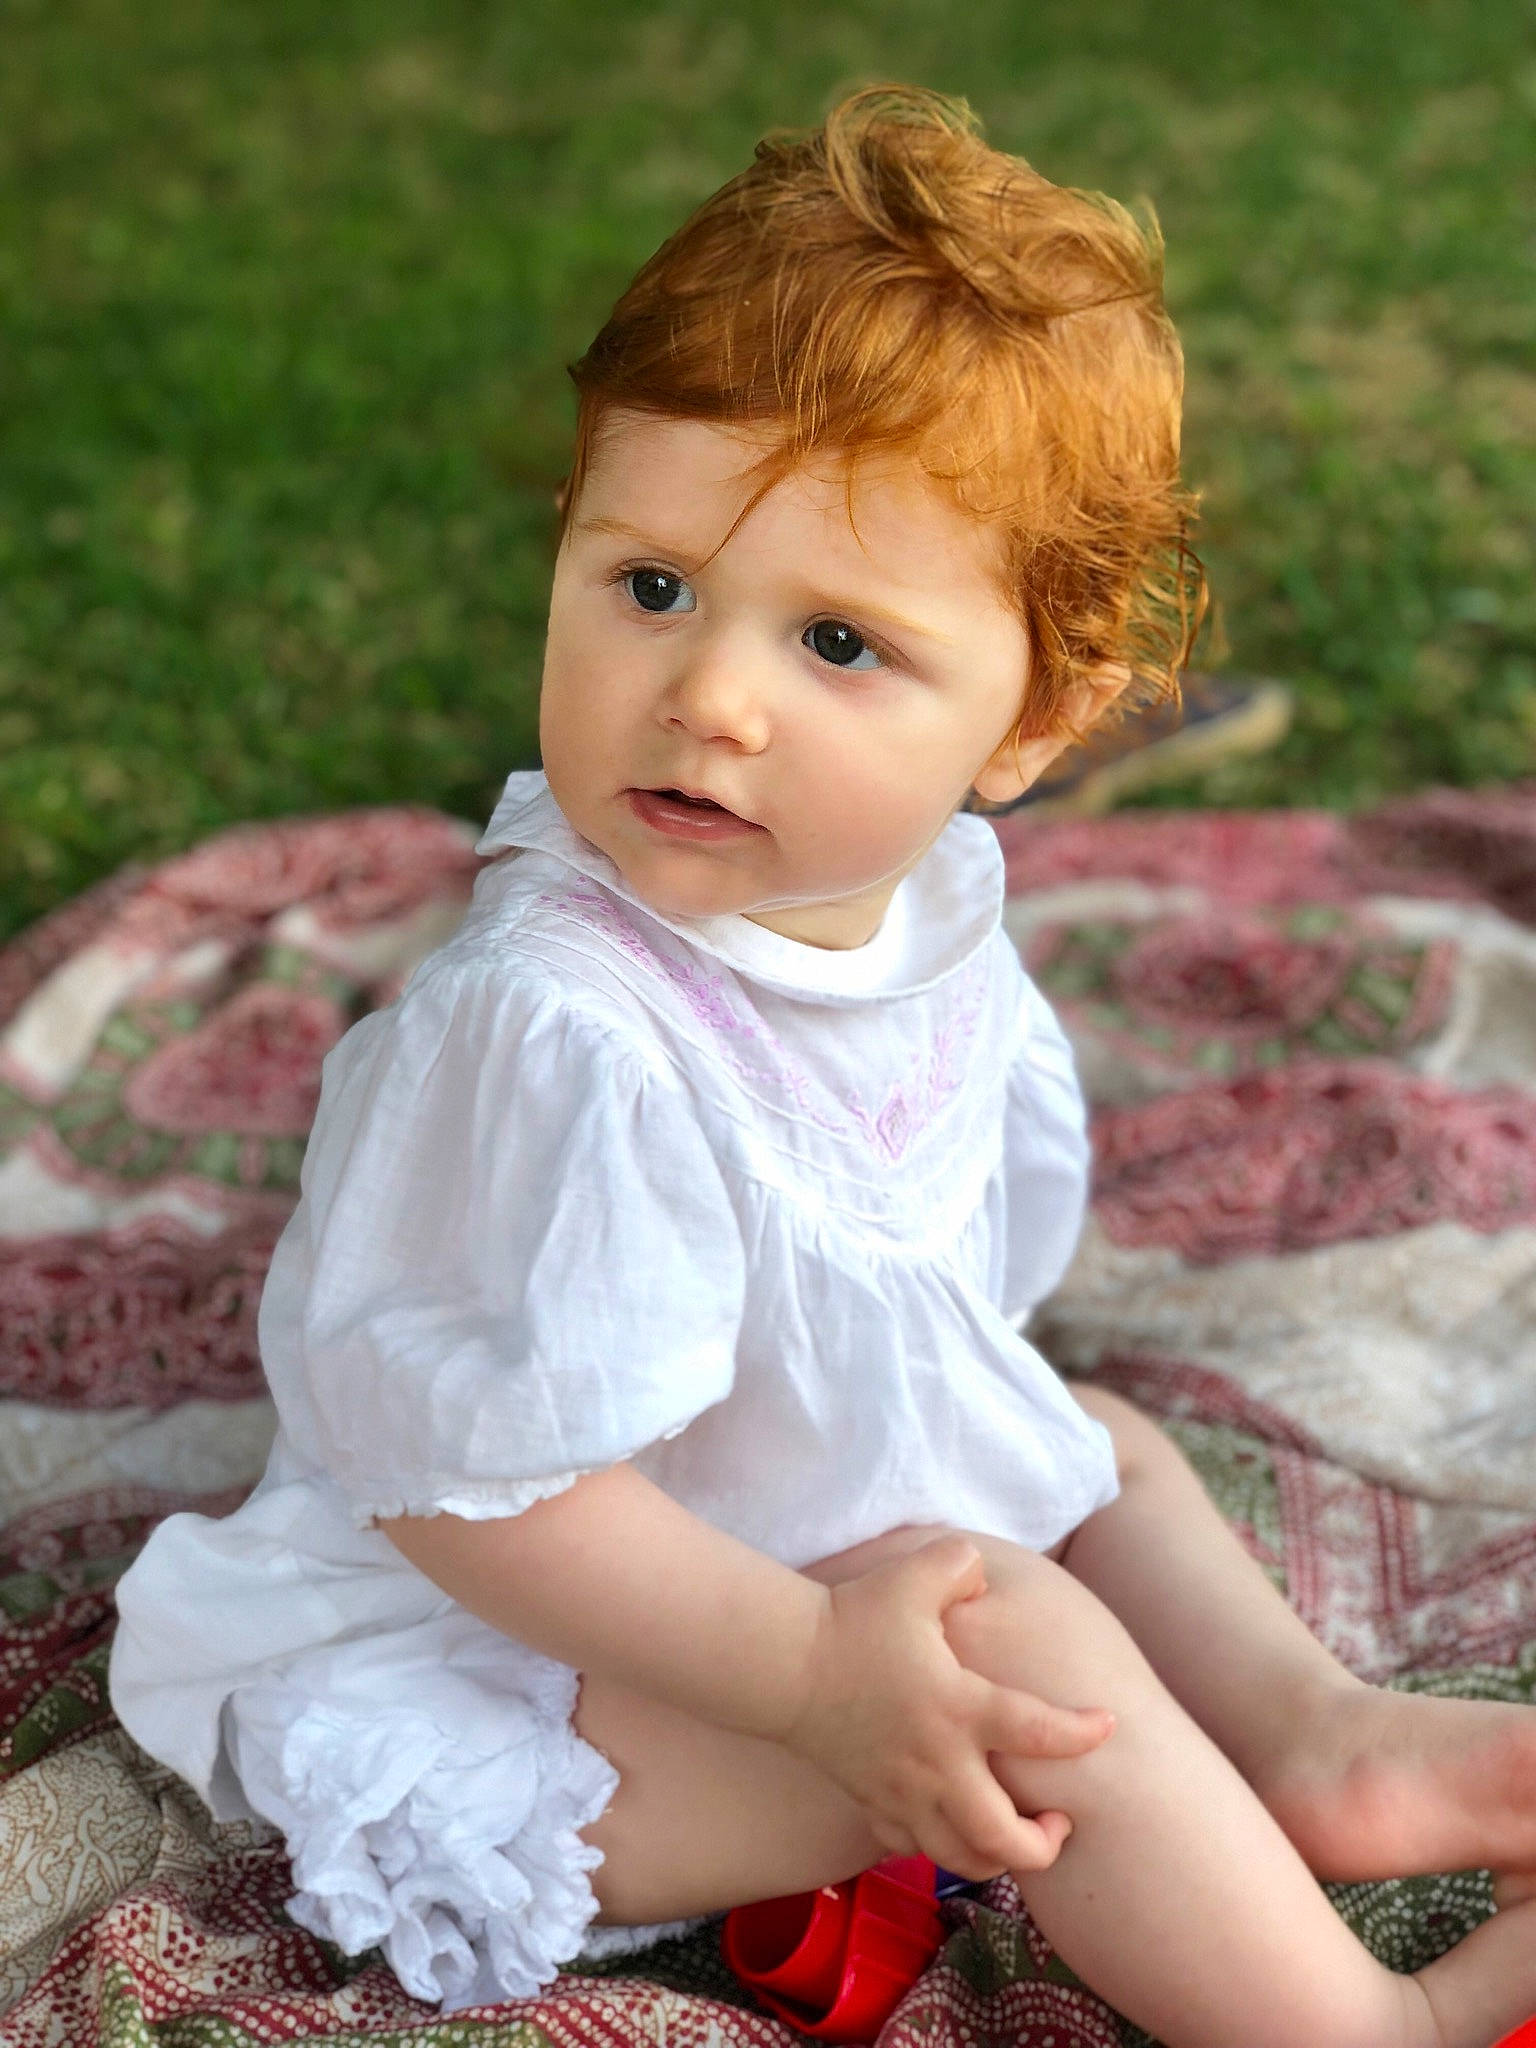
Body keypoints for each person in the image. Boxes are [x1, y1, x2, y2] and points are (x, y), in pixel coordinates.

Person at [109, 85, 1536, 2048]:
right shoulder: (558, 1032)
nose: (710, 692)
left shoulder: (920, 905)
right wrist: (817, 1678)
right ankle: (1368, 2028)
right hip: (520, 1671)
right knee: (1009, 1648)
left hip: (748, 1548)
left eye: (839, 643)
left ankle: (1320, 1745)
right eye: (653, 585)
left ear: (1034, 719)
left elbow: (926, 1314)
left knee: (1080, 1439)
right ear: (568, 546)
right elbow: (469, 1498)